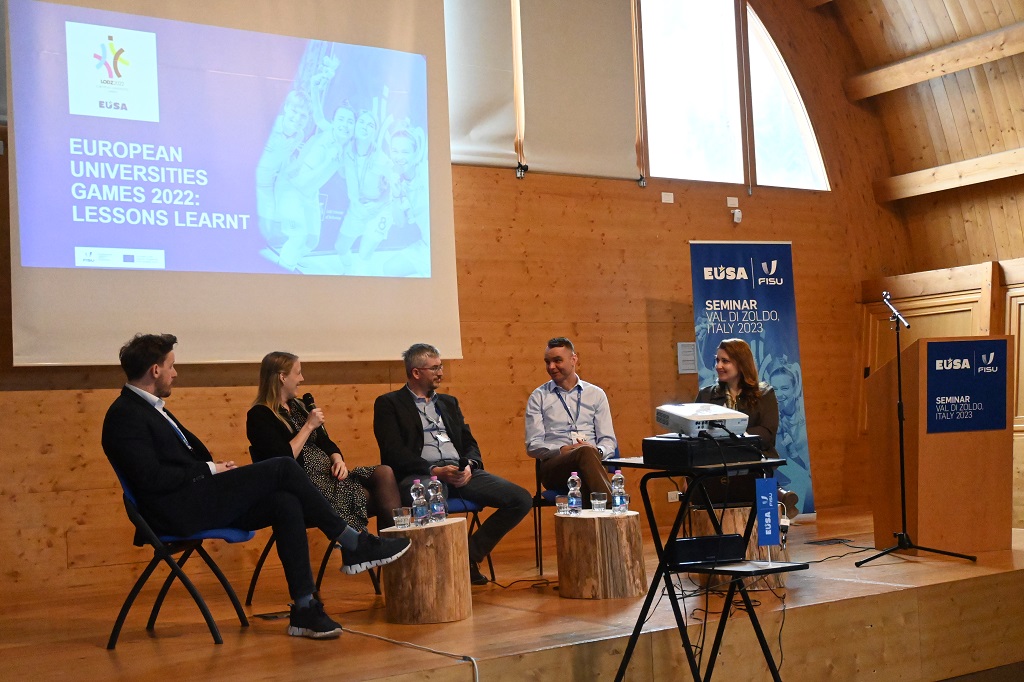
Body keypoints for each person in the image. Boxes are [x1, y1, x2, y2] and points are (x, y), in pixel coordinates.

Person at [101, 334, 409, 640]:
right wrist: (209, 469)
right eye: (171, 366)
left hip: (197, 497)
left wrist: (213, 469)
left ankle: (304, 607)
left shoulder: (153, 408)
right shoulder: (125, 415)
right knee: (283, 466)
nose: (175, 373)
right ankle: (352, 542)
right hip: (176, 511)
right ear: (155, 370)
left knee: (285, 501)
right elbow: (150, 479)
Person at [373, 343, 531, 585]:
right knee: (434, 500)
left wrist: (469, 466)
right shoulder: (389, 403)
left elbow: (469, 442)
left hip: (458, 471)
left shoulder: (448, 402)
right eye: (435, 368)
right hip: (421, 475)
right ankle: (437, 572)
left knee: (520, 499)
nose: (441, 372)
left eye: (441, 366)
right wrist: (434, 470)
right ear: (416, 372)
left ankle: (466, 557)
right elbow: (393, 452)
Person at [246, 351, 401, 531]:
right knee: (383, 498)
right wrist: (308, 426)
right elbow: (282, 460)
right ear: (282, 377)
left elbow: (326, 442)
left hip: (331, 478)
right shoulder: (260, 415)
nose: (302, 378)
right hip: (306, 488)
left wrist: (338, 460)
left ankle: (393, 544)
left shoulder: (299, 406)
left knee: (384, 473)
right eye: (298, 373)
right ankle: (379, 544)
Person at [525, 337, 615, 501]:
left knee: (587, 457)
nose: (551, 367)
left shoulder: (596, 394)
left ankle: (597, 512)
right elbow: (533, 445)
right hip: (555, 466)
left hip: (593, 462)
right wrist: (561, 450)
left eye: (557, 360)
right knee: (585, 453)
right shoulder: (539, 397)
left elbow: (608, 441)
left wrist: (598, 451)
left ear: (574, 359)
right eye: (547, 362)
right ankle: (611, 509)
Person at [696, 338, 779, 458]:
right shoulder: (706, 395)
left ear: (741, 364)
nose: (718, 366)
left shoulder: (764, 394)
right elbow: (696, 432)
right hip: (716, 461)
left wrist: (731, 437)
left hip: (755, 460)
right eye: (717, 360)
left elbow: (767, 434)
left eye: (725, 361)